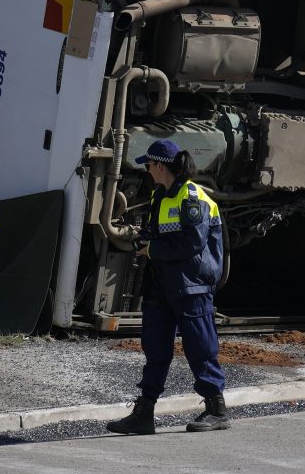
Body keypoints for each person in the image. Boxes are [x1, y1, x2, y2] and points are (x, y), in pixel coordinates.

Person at [107, 138, 230, 435]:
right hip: (163, 287)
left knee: (201, 348)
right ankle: (144, 413)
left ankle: (217, 411)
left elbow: (192, 243)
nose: (147, 171)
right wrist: (143, 239)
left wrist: (152, 250)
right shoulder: (160, 197)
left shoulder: (192, 197)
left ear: (160, 165)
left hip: (192, 287)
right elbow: (160, 232)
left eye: (149, 165)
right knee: (156, 349)